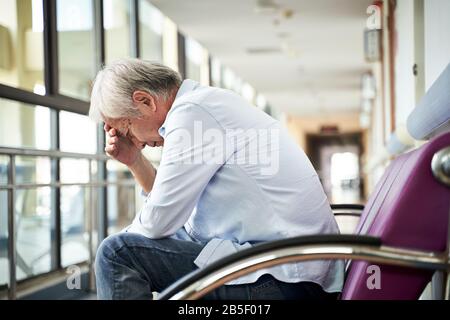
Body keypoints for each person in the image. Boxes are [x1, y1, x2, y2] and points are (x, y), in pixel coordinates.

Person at [90, 58, 344, 300]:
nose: (136, 141)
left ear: (145, 101)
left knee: (116, 254)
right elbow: (170, 213)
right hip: (294, 268)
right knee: (127, 250)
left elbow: (160, 221)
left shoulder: (192, 114)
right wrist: (135, 161)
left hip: (288, 279)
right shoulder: (204, 105)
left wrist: (128, 236)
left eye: (126, 129)